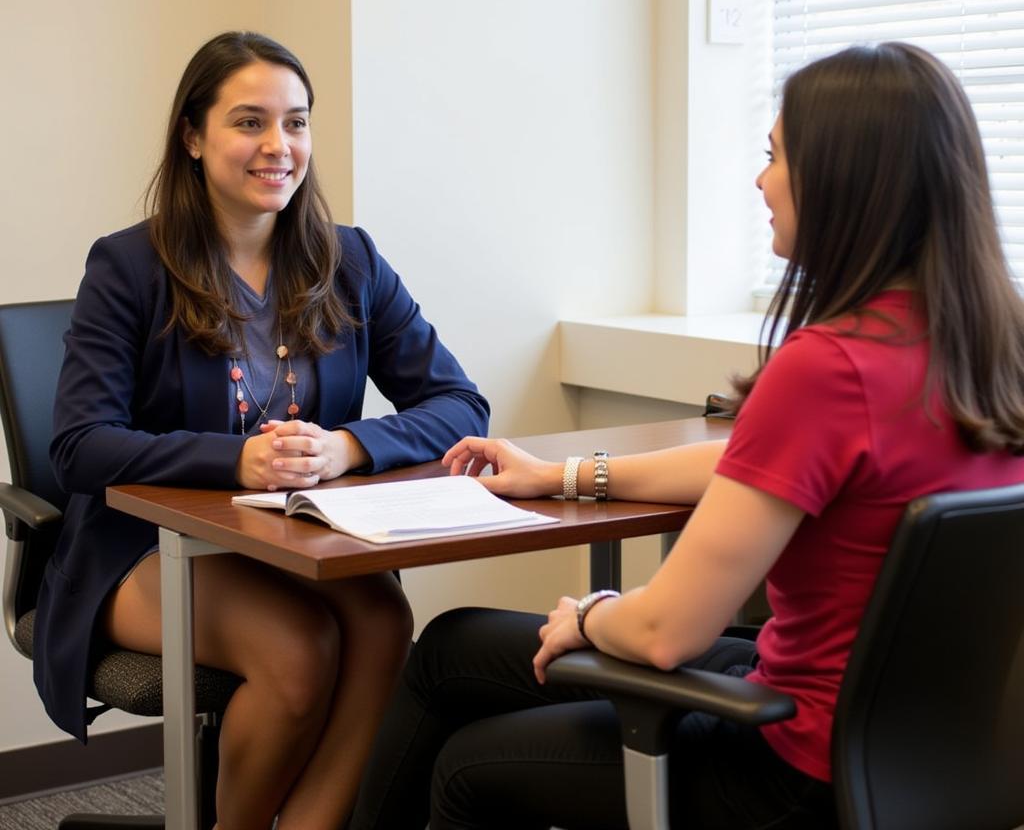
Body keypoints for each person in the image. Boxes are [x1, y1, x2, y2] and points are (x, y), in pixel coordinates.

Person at [347, 42, 1024, 830]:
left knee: (469, 766)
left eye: (776, 155)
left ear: (845, 182)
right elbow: (751, 470)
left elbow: (666, 632)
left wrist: (594, 613)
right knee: (453, 645)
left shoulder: (829, 368)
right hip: (920, 746)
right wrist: (559, 477)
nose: (760, 179)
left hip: (791, 769)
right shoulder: (984, 346)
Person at [34, 31, 489, 830]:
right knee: (298, 647)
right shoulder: (129, 267)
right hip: (144, 548)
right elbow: (78, 445)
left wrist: (348, 447)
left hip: (293, 540)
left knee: (383, 621)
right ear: (193, 136)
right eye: (249, 122)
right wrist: (236, 460)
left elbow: (460, 404)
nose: (278, 146)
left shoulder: (350, 262)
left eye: (297, 122)